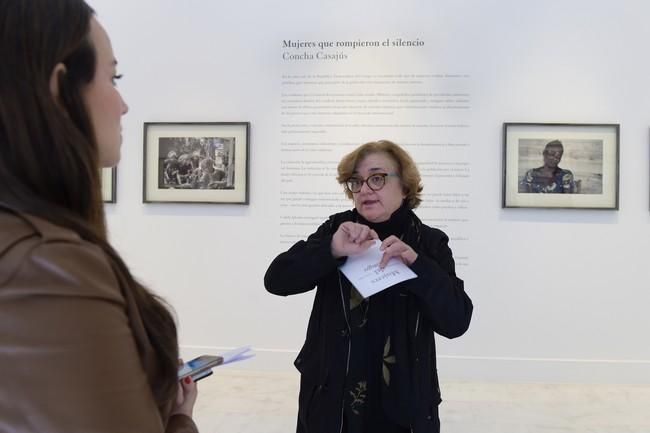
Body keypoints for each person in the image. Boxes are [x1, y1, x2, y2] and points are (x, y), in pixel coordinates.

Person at [0, 1, 199, 431]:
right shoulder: (45, 263)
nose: (123, 105)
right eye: (114, 77)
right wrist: (179, 421)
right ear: (59, 90)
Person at [264, 140, 473, 433]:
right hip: (333, 399)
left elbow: (456, 321)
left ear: (405, 185)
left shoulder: (428, 242)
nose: (364, 190)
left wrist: (417, 265)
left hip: (404, 402)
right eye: (356, 181)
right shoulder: (337, 230)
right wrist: (332, 249)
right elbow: (276, 280)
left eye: (377, 178)